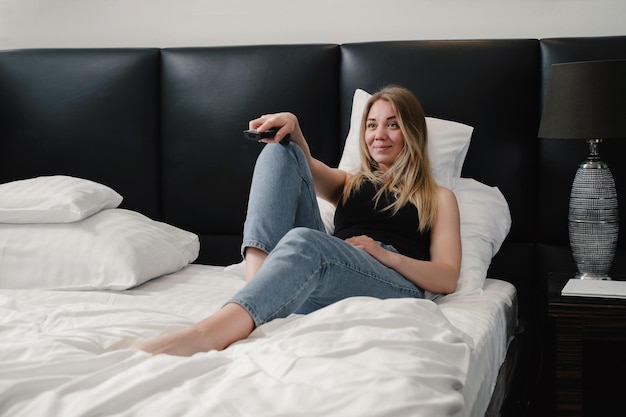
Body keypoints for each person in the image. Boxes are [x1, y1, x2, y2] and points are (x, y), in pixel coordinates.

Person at [134, 86, 462, 356]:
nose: (379, 134)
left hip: (390, 280)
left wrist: (383, 254)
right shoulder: (349, 182)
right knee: (280, 151)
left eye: (392, 124)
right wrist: (294, 124)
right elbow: (302, 164)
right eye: (371, 124)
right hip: (330, 265)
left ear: (412, 131)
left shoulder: (437, 196)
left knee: (304, 241)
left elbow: (447, 277)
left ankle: (209, 333)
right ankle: (257, 290)